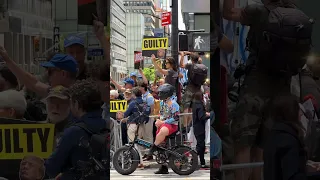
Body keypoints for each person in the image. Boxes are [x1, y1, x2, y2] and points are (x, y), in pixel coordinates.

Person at [45, 79, 107, 179]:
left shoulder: (74, 132)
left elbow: (51, 167)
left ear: (77, 104)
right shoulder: (108, 125)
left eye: (70, 102)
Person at [264, 94, 307, 180]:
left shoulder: (273, 136)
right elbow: (292, 175)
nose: (301, 113)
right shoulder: (288, 141)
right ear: (291, 112)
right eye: (298, 110)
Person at [148, 83, 180, 174]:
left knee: (162, 132)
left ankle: (153, 148)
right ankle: (163, 167)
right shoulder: (162, 102)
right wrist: (159, 120)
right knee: (161, 147)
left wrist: (163, 122)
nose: (159, 95)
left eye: (161, 93)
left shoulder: (173, 104)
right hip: (164, 124)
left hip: (172, 126)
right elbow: (162, 114)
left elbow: (176, 117)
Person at [117, 87, 148, 169]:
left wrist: (121, 114)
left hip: (133, 125)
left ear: (134, 94)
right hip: (142, 124)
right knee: (137, 144)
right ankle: (140, 162)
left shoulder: (132, 103)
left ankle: (139, 162)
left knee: (133, 144)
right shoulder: (144, 102)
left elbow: (126, 114)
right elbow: (147, 112)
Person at [192, 91, 210, 169]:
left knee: (200, 146)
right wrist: (209, 115)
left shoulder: (195, 104)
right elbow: (201, 117)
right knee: (200, 146)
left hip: (196, 127)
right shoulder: (199, 105)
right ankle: (194, 160)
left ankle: (201, 163)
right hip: (200, 128)